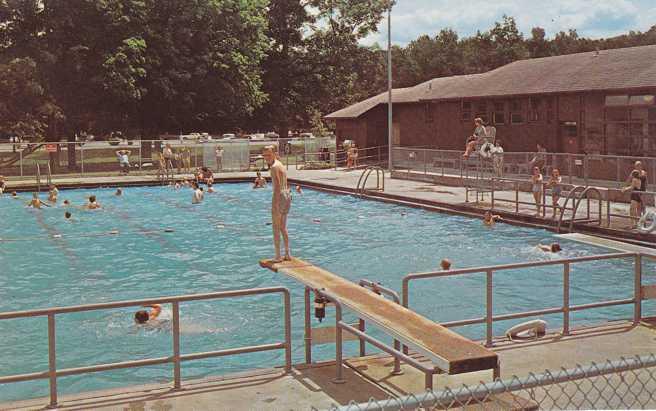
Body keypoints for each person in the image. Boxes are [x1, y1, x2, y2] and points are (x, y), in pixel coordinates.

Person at [263, 145, 291, 262]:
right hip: (287, 195)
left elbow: (277, 187)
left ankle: (278, 256)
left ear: (274, 153)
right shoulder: (281, 164)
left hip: (280, 196)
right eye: (264, 155)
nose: (266, 158)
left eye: (268, 155)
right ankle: (287, 254)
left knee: (275, 228)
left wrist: (274, 204)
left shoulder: (274, 167)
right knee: (283, 227)